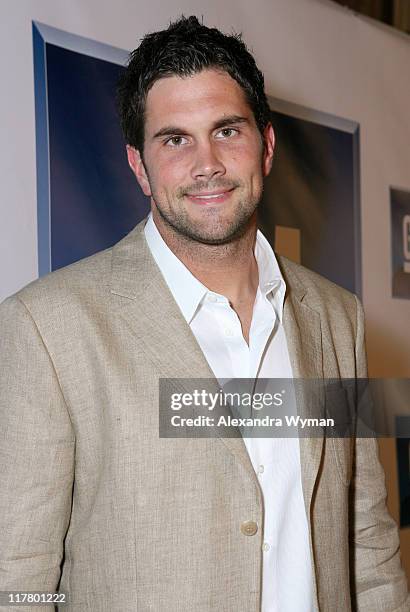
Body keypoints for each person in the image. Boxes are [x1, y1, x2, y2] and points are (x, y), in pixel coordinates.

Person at [0, 15, 408, 612]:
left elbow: (365, 537)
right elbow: (19, 577)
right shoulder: (47, 327)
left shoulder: (336, 317)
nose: (207, 162)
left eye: (227, 130)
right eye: (175, 139)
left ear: (266, 146)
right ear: (139, 166)